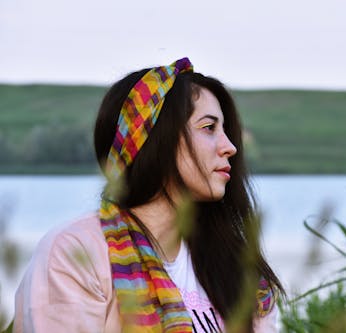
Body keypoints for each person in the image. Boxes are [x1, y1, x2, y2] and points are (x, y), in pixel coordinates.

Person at [14, 57, 283, 332]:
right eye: (208, 128)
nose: (230, 147)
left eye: (225, 130)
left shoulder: (234, 265)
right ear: (154, 140)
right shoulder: (76, 252)